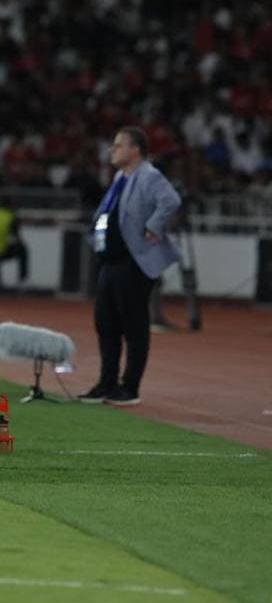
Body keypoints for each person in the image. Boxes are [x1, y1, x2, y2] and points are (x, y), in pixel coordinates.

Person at [78, 127, 181, 406]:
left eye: (118, 145)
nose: (112, 150)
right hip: (111, 261)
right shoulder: (122, 177)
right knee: (106, 323)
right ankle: (107, 382)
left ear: (135, 150)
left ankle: (130, 387)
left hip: (133, 261)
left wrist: (154, 226)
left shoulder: (148, 175)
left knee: (133, 326)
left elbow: (171, 200)